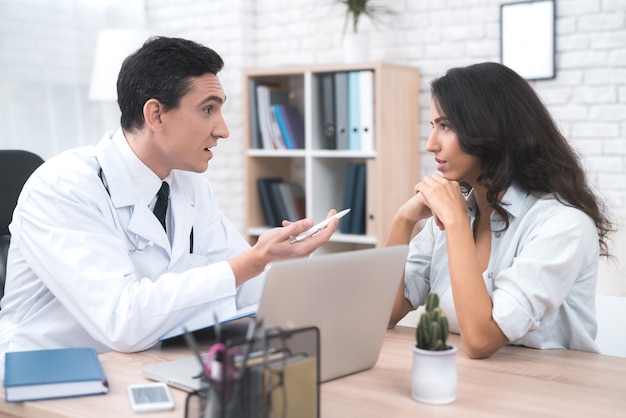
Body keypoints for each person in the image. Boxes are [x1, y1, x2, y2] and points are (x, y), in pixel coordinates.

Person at [0, 36, 338, 374]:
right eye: (208, 109)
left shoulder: (190, 186)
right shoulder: (62, 187)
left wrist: (282, 263)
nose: (223, 130)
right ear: (156, 114)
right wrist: (253, 261)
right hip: (47, 378)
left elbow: (244, 291)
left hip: (138, 365)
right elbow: (122, 321)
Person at [387, 62, 613, 358]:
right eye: (433, 127)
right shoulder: (450, 216)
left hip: (548, 395)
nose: (431, 144)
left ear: (490, 128)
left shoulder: (563, 224)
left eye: (446, 126)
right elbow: (381, 316)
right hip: (467, 386)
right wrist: (402, 221)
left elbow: (481, 340)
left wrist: (455, 222)